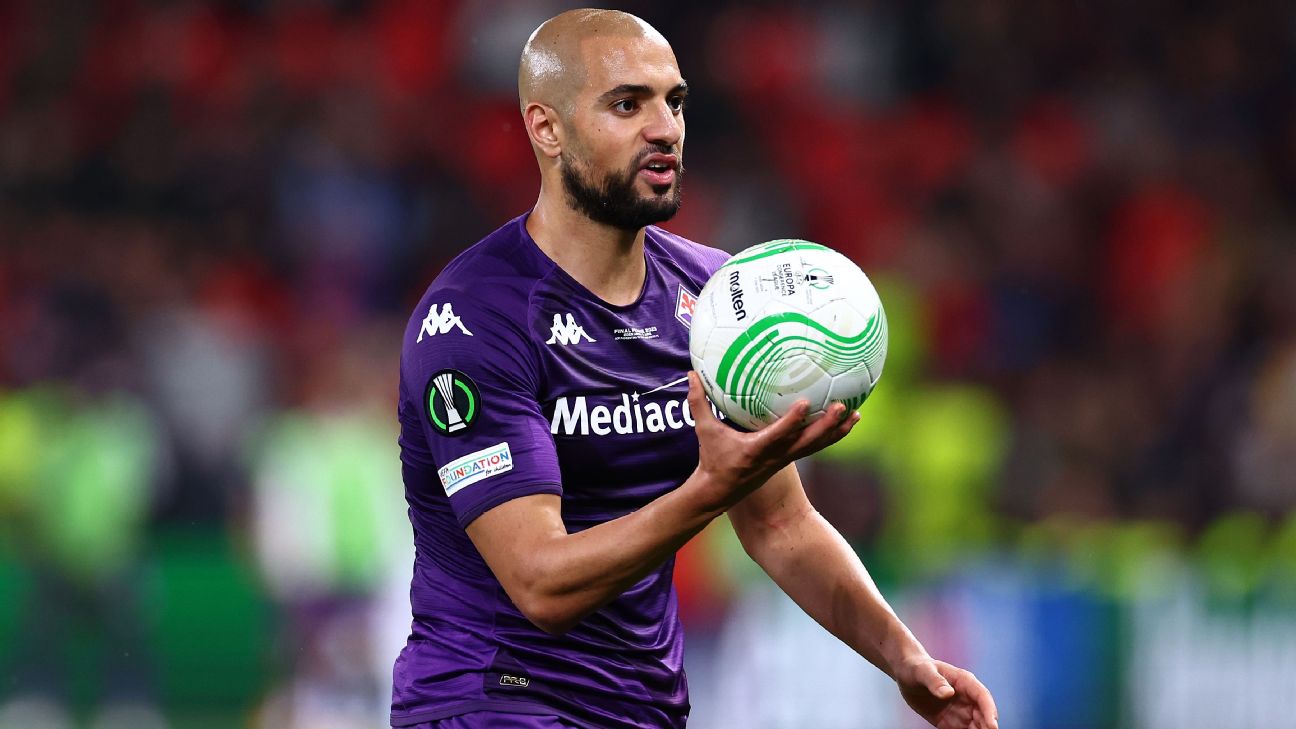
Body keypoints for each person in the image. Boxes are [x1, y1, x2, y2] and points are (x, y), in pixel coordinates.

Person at [391, 9, 999, 729]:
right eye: (628, 103)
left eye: (673, 101)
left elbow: (782, 526)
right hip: (494, 698)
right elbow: (540, 581)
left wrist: (908, 662)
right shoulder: (474, 318)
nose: (665, 128)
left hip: (643, 708)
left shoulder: (719, 306)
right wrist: (713, 486)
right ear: (546, 129)